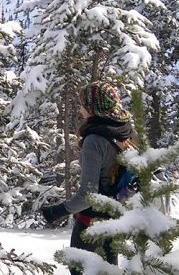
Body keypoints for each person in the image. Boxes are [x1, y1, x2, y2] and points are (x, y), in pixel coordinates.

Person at [40, 82, 134, 274]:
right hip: (115, 221)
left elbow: (88, 194)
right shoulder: (127, 132)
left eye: (83, 104)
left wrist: (56, 212)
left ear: (94, 107)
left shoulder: (95, 140)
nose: (80, 108)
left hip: (90, 224)